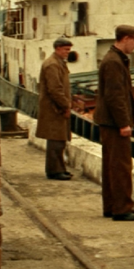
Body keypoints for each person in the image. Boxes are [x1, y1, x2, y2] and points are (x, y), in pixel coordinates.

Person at [94, 25, 134, 222]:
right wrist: (124, 123)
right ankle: (122, 208)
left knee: (111, 165)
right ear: (125, 39)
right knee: (121, 166)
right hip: (114, 123)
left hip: (108, 121)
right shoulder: (114, 62)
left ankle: (111, 206)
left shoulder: (113, 59)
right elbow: (115, 96)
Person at [37, 37, 74, 180]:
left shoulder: (58, 63)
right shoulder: (52, 64)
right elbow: (55, 89)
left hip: (56, 107)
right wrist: (65, 105)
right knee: (55, 140)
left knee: (59, 140)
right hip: (54, 109)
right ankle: (54, 171)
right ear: (58, 48)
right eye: (66, 49)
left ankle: (59, 168)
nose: (68, 52)